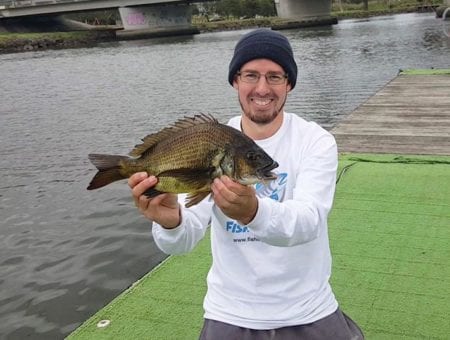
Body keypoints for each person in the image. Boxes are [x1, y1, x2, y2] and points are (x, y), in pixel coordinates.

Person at [128, 28, 364, 340]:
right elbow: (182, 240)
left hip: (307, 307)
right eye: (251, 75)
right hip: (230, 311)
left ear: (289, 83)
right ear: (235, 81)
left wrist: (253, 211)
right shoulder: (210, 141)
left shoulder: (315, 141)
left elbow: (309, 222)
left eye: (275, 76)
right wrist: (170, 222)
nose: (262, 88)